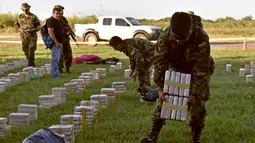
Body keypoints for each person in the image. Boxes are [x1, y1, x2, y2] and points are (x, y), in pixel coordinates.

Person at [141, 12, 215, 143]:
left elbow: (201, 68)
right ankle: (153, 135)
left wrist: (193, 93)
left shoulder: (201, 37)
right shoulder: (164, 37)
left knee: (198, 103)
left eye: (183, 38)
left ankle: (195, 137)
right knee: (167, 98)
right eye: (176, 38)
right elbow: (159, 65)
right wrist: (161, 88)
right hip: (176, 67)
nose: (179, 41)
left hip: (196, 70)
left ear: (190, 29)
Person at [14, 3, 41, 67]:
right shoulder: (19, 17)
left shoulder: (33, 16)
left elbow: (39, 26)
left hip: (32, 36)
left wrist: (32, 30)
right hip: (23, 36)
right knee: (25, 49)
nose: (25, 11)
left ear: (29, 9)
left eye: (26, 9)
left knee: (31, 49)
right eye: (24, 10)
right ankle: (30, 61)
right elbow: (16, 25)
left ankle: (30, 64)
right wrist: (20, 30)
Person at [53, 5, 73, 73]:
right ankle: (60, 69)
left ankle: (67, 67)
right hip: (58, 39)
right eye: (58, 11)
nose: (60, 13)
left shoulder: (63, 19)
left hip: (65, 38)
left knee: (68, 54)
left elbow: (67, 26)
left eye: (61, 11)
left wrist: (70, 31)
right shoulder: (53, 20)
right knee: (60, 55)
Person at [46, 6, 65, 78]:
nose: (58, 15)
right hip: (54, 43)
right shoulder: (51, 20)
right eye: (57, 13)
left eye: (60, 14)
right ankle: (55, 75)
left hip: (59, 43)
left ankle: (56, 73)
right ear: (53, 13)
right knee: (55, 60)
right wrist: (56, 42)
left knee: (57, 59)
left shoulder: (58, 21)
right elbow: (50, 32)